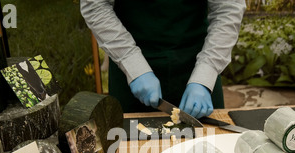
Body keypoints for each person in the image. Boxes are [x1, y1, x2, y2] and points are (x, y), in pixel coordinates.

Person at [81, 0, 246, 119]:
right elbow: (96, 5)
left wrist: (205, 76)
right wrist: (133, 65)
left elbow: (228, 9)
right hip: (128, 70)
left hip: (198, 61)